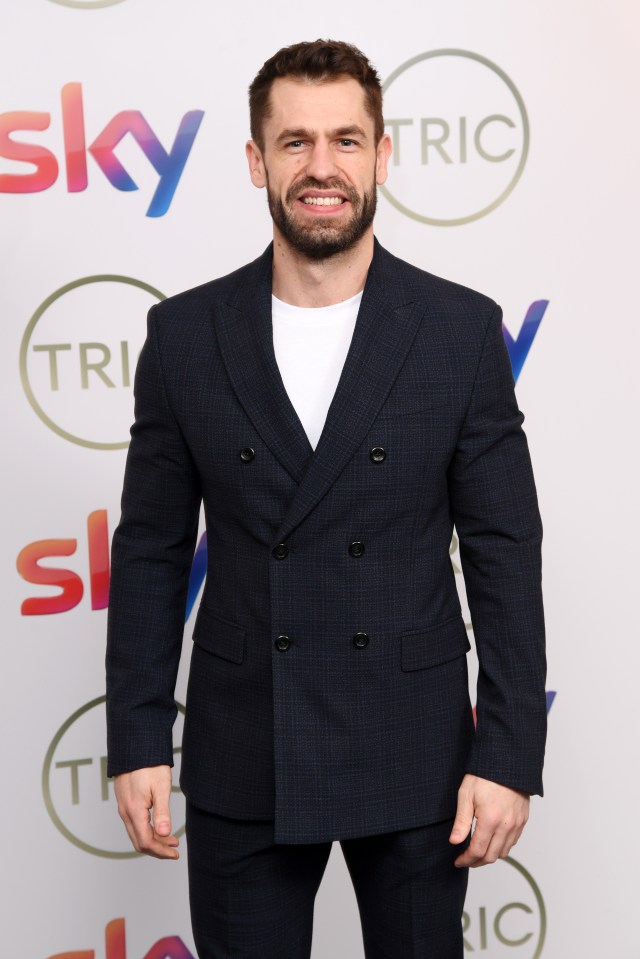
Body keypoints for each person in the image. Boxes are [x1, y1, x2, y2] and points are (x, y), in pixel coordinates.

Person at [106, 39, 546, 959]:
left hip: (418, 749)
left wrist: (506, 755)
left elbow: (505, 548)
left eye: (346, 140)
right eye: (296, 142)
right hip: (244, 744)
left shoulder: (459, 331)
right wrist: (139, 737)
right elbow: (149, 550)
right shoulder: (184, 334)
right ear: (257, 161)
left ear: (382, 157)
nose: (322, 168)